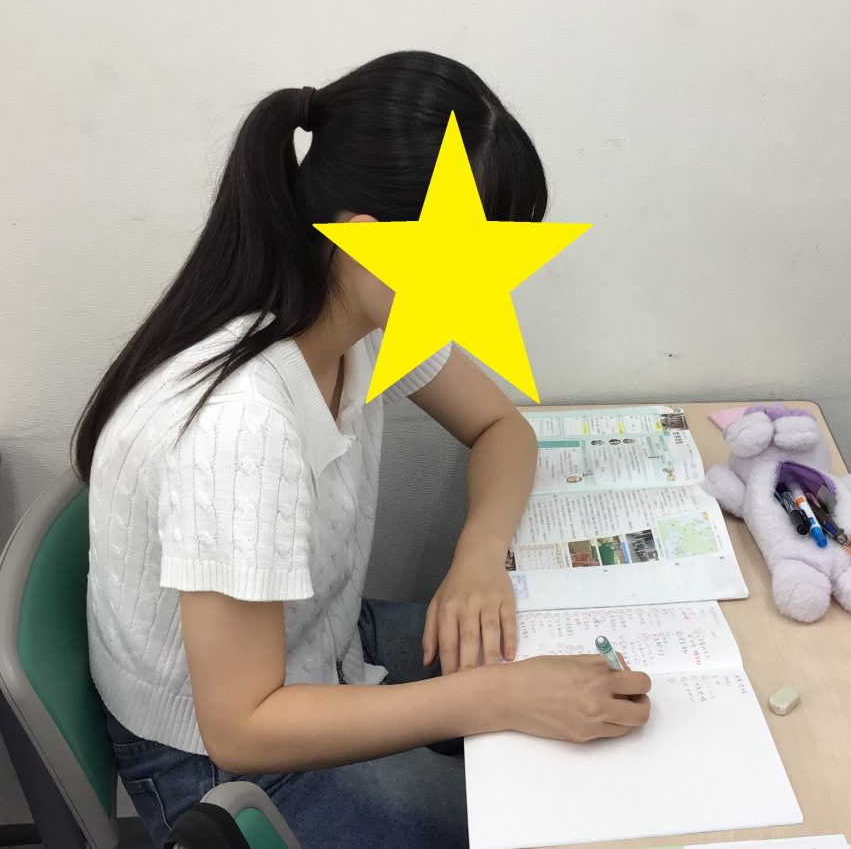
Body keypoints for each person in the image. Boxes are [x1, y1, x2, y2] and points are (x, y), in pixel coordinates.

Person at [73, 51, 651, 849]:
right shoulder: (240, 424)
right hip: (222, 756)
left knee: (567, 689)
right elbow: (242, 725)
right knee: (544, 810)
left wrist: (478, 558)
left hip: (327, 645)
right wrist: (498, 697)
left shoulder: (354, 311)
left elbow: (503, 428)